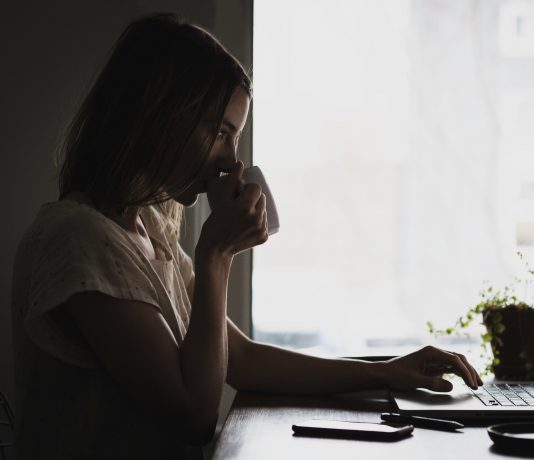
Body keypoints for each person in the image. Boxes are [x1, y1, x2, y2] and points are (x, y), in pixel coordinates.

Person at [10, 13, 482, 460]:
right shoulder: (80, 240)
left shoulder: (147, 232)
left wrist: (390, 372)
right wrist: (216, 252)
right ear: (159, 118)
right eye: (220, 132)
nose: (231, 162)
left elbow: (243, 359)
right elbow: (192, 415)